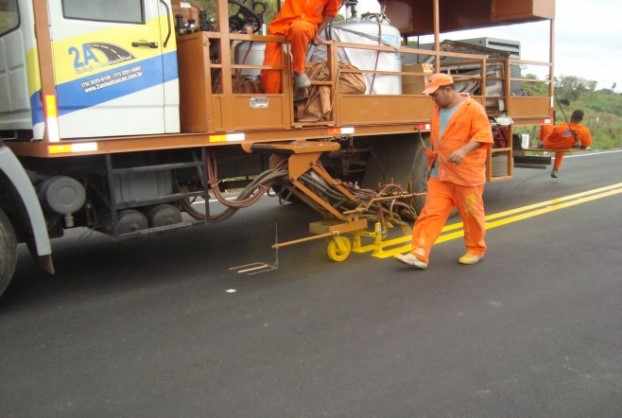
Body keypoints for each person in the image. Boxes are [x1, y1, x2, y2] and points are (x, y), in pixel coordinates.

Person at [396, 74, 493, 270]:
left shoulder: (472, 108)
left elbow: (484, 135)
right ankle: (419, 253)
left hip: (466, 175)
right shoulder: (437, 109)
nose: (434, 98)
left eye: (436, 94)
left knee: (471, 214)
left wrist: (464, 150)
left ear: (449, 90)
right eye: (432, 95)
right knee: (431, 213)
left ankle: (475, 249)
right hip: (441, 173)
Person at [260, 0, 342, 94]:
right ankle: (274, 100)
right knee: (270, 72)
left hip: (307, 24)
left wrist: (318, 33)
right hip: (280, 26)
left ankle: (299, 71)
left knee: (299, 28)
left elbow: (330, 14)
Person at [540, 110, 592, 178]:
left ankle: (555, 168)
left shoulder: (560, 127)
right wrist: (580, 145)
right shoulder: (584, 130)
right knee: (561, 149)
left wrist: (543, 141)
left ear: (571, 117)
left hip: (550, 145)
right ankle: (555, 169)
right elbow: (586, 144)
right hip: (565, 146)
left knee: (547, 127)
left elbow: (551, 137)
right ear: (581, 119)